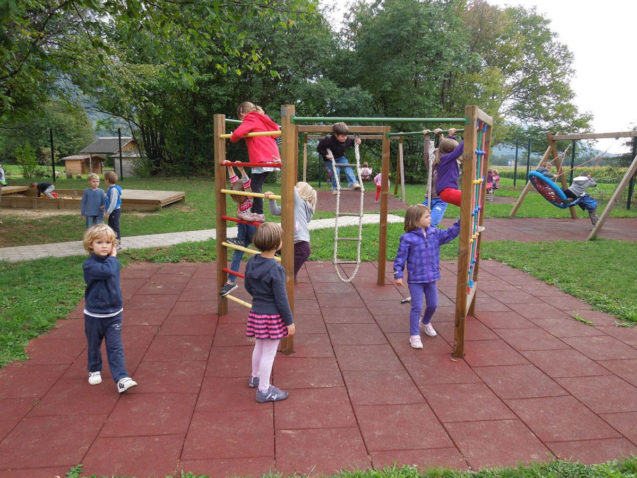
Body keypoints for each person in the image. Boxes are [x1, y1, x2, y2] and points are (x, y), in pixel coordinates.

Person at [393, 204, 460, 349]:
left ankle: (425, 322)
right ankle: (414, 335)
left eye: (429, 215)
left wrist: (461, 222)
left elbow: (450, 233)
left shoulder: (434, 234)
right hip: (416, 279)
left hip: (431, 278)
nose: (430, 218)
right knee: (416, 307)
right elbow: (400, 258)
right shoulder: (407, 239)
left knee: (433, 304)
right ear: (416, 220)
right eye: (427, 216)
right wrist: (398, 274)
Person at [82, 224, 137, 393]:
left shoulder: (112, 263)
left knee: (115, 346)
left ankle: (121, 377)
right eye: (99, 242)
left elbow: (112, 270)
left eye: (108, 242)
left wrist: (113, 259)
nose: (104, 246)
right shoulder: (90, 265)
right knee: (94, 344)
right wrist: (113, 258)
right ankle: (94, 368)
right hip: (94, 314)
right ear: (90, 245)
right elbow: (107, 272)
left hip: (114, 313)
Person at [244, 222, 295, 403]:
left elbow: (248, 286)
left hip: (257, 312)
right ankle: (264, 390)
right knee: (269, 352)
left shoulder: (251, 262)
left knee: (259, 345)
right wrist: (289, 322)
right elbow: (281, 299)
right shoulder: (276, 269)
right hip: (272, 316)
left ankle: (255, 377)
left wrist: (259, 297)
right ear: (276, 245)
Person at [230, 102, 281, 222]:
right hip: (272, 157)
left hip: (261, 157)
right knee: (257, 185)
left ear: (242, 113)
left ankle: (258, 213)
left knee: (255, 185)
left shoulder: (250, 118)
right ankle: (255, 211)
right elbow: (275, 132)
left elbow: (237, 134)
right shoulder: (263, 118)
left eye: (240, 119)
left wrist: (232, 136)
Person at [219, 162, 258, 297]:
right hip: (244, 232)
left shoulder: (250, 197)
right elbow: (234, 182)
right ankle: (231, 281)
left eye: (239, 198)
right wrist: (230, 167)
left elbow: (246, 184)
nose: (238, 202)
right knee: (238, 253)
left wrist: (241, 170)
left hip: (253, 231)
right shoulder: (240, 196)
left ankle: (276, 250)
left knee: (242, 218)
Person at [264, 181, 317, 280]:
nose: (294, 188)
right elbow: (275, 211)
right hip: (291, 244)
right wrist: (271, 199)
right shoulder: (292, 206)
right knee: (271, 248)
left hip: (300, 247)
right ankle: (273, 272)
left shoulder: (299, 202)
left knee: (288, 276)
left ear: (302, 192)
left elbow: (289, 187)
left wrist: (279, 169)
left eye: (297, 187)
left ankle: (285, 287)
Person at [317, 122, 362, 195]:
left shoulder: (347, 140)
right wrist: (326, 155)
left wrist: (357, 141)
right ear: (336, 135)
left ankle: (353, 183)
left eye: (346, 136)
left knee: (347, 167)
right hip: (330, 159)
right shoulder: (328, 140)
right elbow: (319, 148)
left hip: (341, 157)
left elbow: (353, 142)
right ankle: (335, 188)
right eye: (342, 136)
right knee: (336, 170)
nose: (344, 138)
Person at [422, 129, 448, 227]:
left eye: (437, 154)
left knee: (431, 223)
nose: (434, 156)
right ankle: (421, 239)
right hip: (428, 198)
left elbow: (445, 150)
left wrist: (441, 136)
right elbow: (426, 154)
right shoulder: (431, 168)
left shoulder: (445, 168)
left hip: (440, 200)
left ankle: (431, 239)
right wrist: (427, 138)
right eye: (434, 154)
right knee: (418, 221)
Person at [104, 171, 123, 249]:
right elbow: (108, 200)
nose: (104, 181)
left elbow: (113, 203)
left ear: (108, 180)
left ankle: (118, 244)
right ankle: (113, 242)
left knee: (115, 227)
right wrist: (104, 206)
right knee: (111, 227)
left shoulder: (113, 190)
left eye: (104, 179)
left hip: (115, 211)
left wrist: (108, 212)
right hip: (112, 211)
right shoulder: (110, 188)